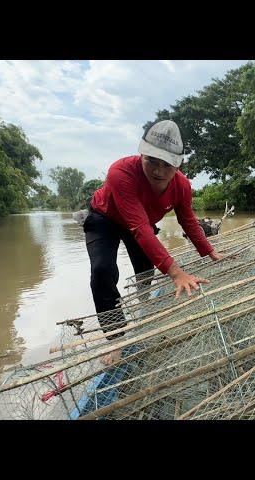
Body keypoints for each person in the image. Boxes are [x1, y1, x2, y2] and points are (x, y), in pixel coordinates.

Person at [83, 120, 224, 364]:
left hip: (141, 222)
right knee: (102, 270)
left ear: (178, 165)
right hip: (105, 217)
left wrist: (209, 251)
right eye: (151, 161)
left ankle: (144, 309)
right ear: (141, 154)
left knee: (145, 269)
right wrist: (177, 273)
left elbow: (188, 220)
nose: (158, 171)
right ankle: (115, 338)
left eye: (166, 165)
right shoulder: (121, 172)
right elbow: (139, 228)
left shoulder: (182, 186)